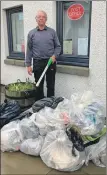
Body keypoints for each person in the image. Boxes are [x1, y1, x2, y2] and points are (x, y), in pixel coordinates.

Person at [25, 10, 61, 101]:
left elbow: (58, 47)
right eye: (39, 17)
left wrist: (54, 56)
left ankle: (50, 104)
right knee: (38, 86)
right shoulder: (31, 33)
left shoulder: (52, 32)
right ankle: (40, 106)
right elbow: (29, 50)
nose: (41, 18)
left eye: (43, 17)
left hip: (50, 62)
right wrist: (28, 65)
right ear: (36, 19)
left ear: (46, 19)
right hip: (37, 63)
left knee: (51, 85)